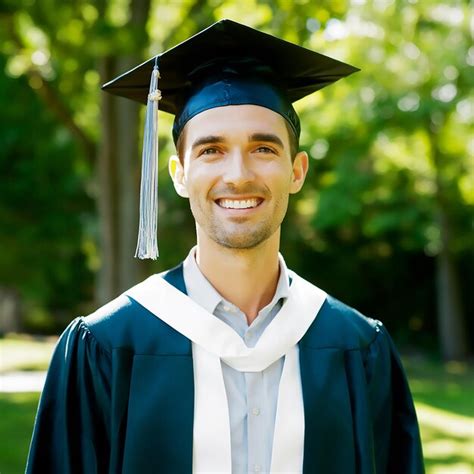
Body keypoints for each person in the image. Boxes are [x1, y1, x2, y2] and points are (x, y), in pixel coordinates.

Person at [26, 19, 424, 474]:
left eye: (263, 149)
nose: (237, 174)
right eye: (211, 150)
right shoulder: (105, 347)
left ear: (297, 171)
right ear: (178, 173)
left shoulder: (359, 348)